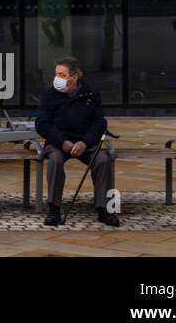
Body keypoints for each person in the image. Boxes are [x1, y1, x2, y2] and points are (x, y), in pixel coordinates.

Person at [35, 57, 120, 228]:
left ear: (74, 77)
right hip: (59, 142)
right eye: (56, 74)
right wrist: (63, 141)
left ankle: (105, 209)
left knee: (103, 160)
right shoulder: (49, 94)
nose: (57, 78)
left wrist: (84, 142)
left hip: (85, 142)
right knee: (55, 160)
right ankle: (54, 208)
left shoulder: (91, 94)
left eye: (62, 74)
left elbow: (100, 123)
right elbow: (42, 124)